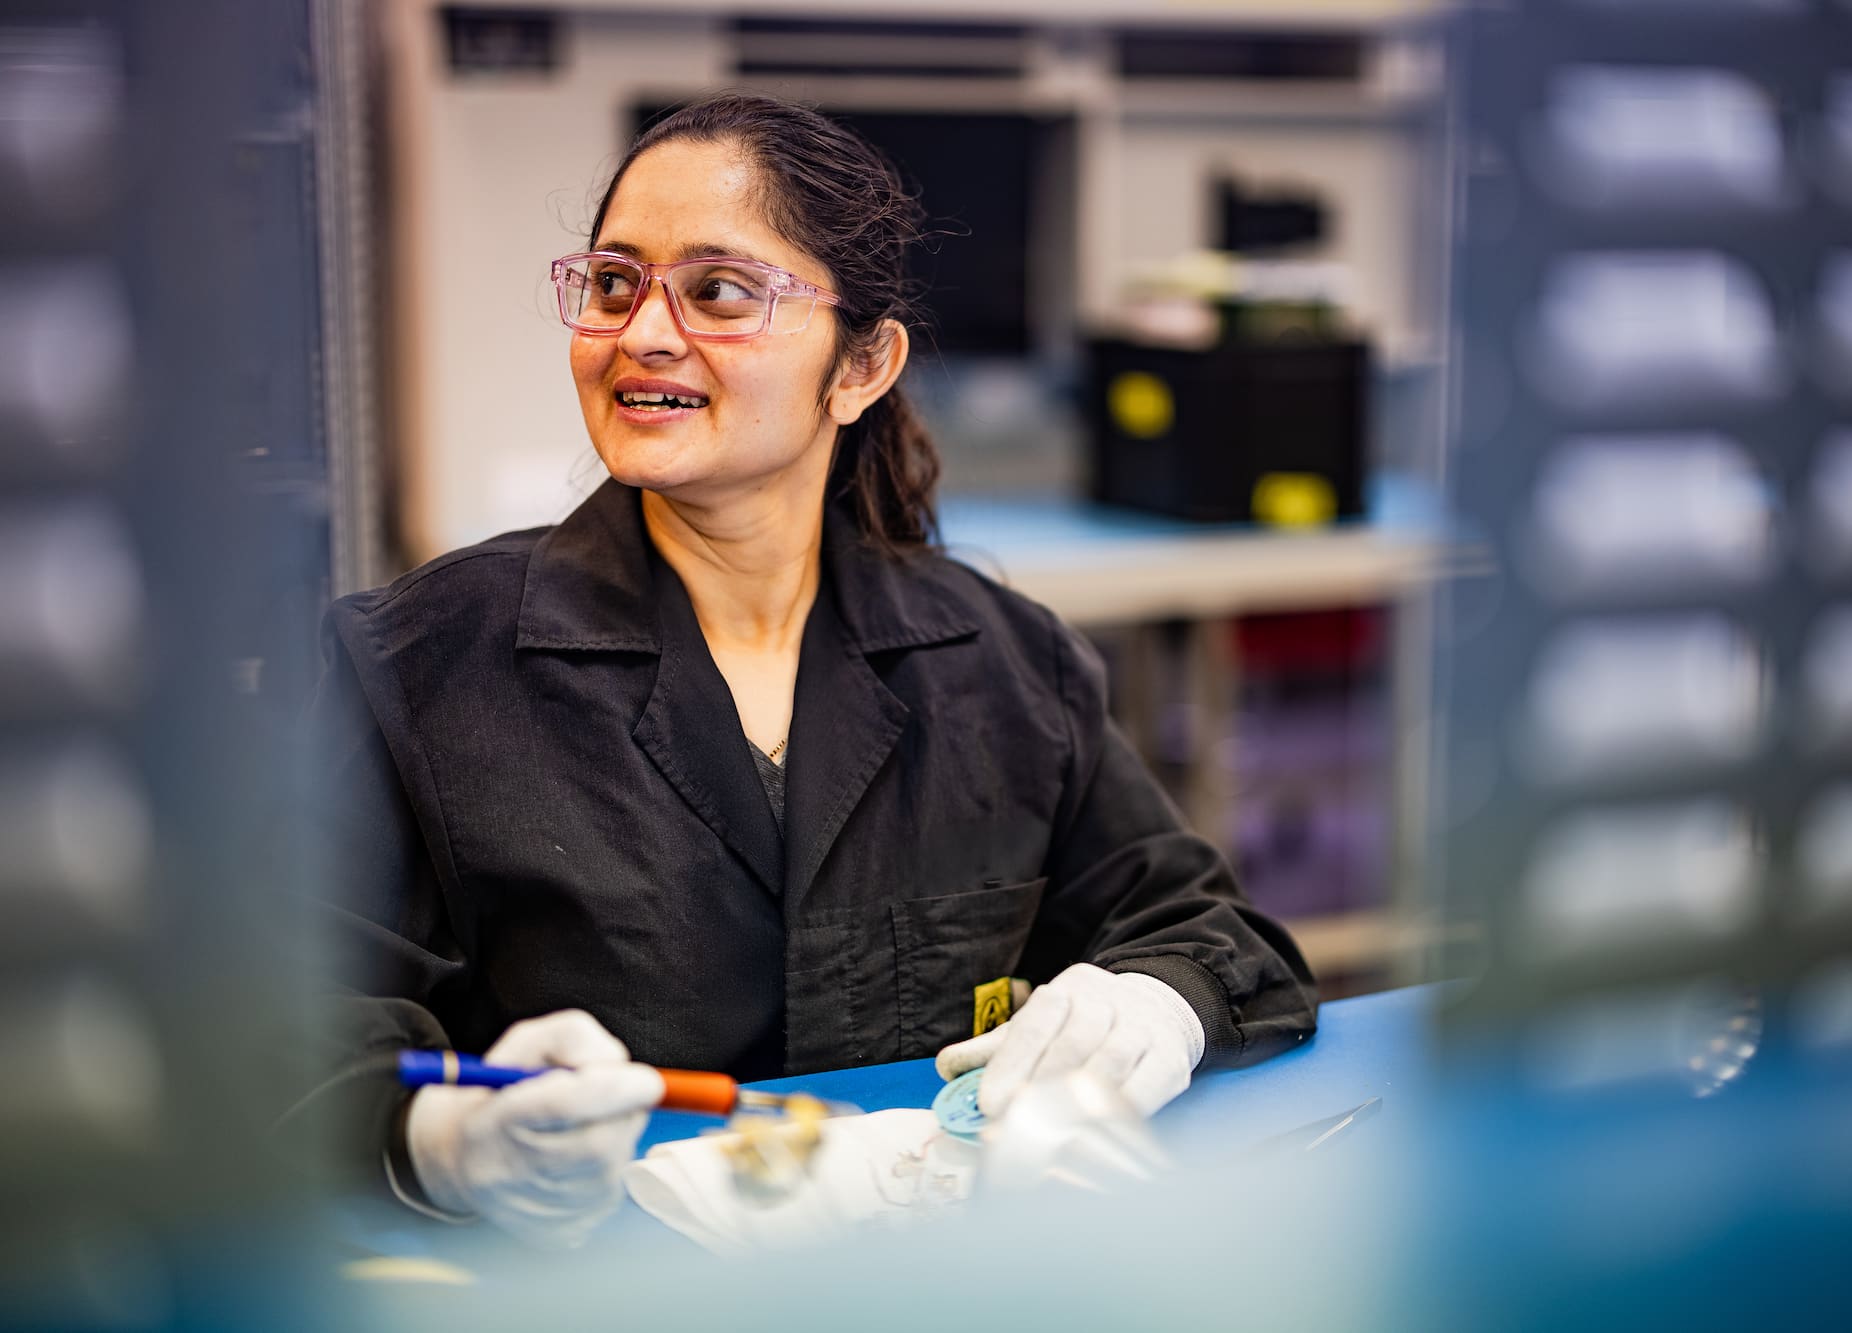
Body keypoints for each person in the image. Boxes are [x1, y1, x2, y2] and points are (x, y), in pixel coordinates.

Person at [287, 92, 1316, 1248]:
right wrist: (433, 1143)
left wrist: (1152, 1002)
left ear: (861, 365)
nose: (644, 334)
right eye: (615, 284)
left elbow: (1219, 935)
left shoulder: (1001, 664)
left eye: (718, 293)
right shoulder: (419, 665)